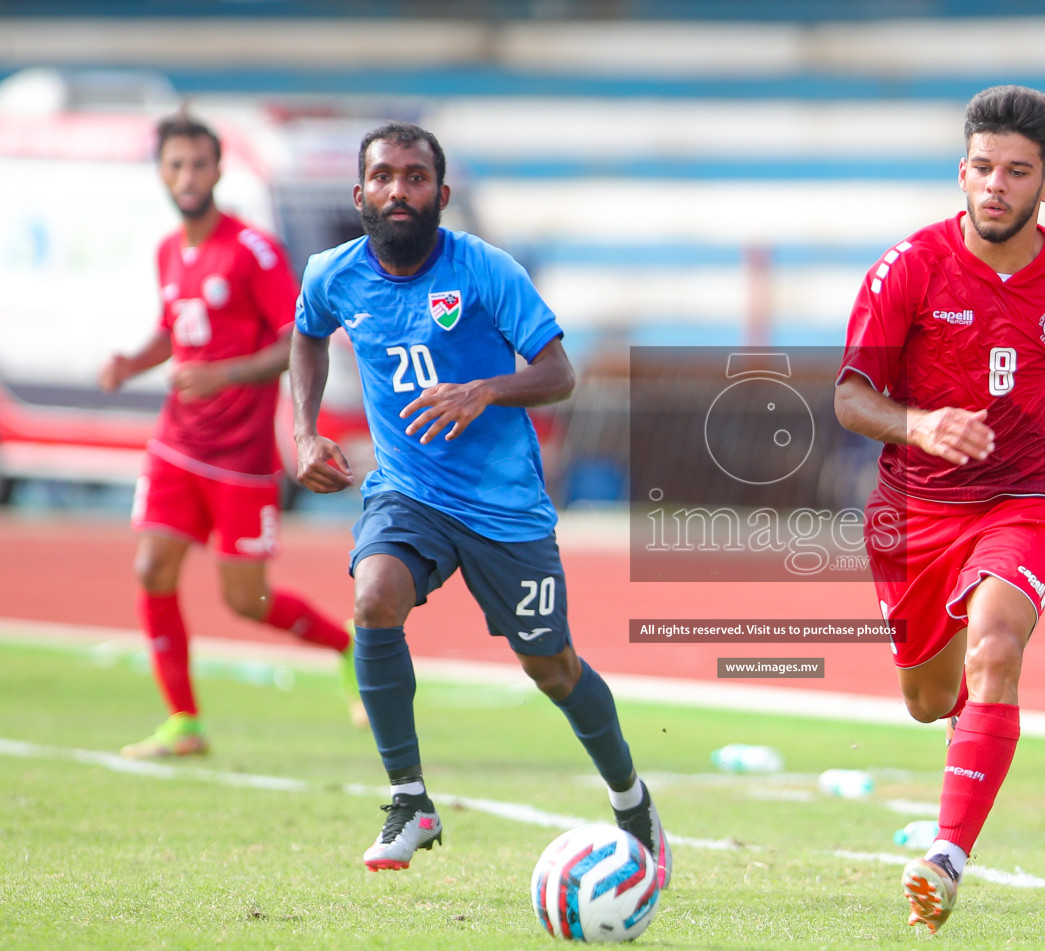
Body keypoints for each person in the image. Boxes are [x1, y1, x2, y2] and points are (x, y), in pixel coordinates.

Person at [834, 85, 1045, 932]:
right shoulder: (908, 268)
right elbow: (851, 398)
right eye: (983, 169)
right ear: (962, 172)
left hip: (1030, 493)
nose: (997, 186)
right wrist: (919, 423)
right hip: (915, 510)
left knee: (996, 645)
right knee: (927, 698)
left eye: (1017, 172)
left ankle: (945, 859)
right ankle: (972, 729)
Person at [289, 122, 670, 879]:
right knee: (374, 599)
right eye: (386, 176)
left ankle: (631, 800)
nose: (400, 190)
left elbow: (560, 373)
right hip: (408, 492)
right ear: (359, 192)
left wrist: (483, 389)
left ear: (442, 194)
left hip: (504, 509)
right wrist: (302, 434)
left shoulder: (486, 271)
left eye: (416, 177)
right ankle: (409, 801)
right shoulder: (332, 274)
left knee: (551, 667)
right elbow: (307, 335)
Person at [99, 112, 355, 760]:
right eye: (175, 165)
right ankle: (184, 721)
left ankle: (347, 644)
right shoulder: (168, 251)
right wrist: (134, 362)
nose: (187, 176)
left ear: (217, 170)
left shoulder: (252, 250)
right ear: (162, 172)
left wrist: (224, 375)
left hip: (240, 460)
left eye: (198, 164)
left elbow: (297, 336)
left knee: (245, 600)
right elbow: (174, 329)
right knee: (152, 567)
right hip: (176, 446)